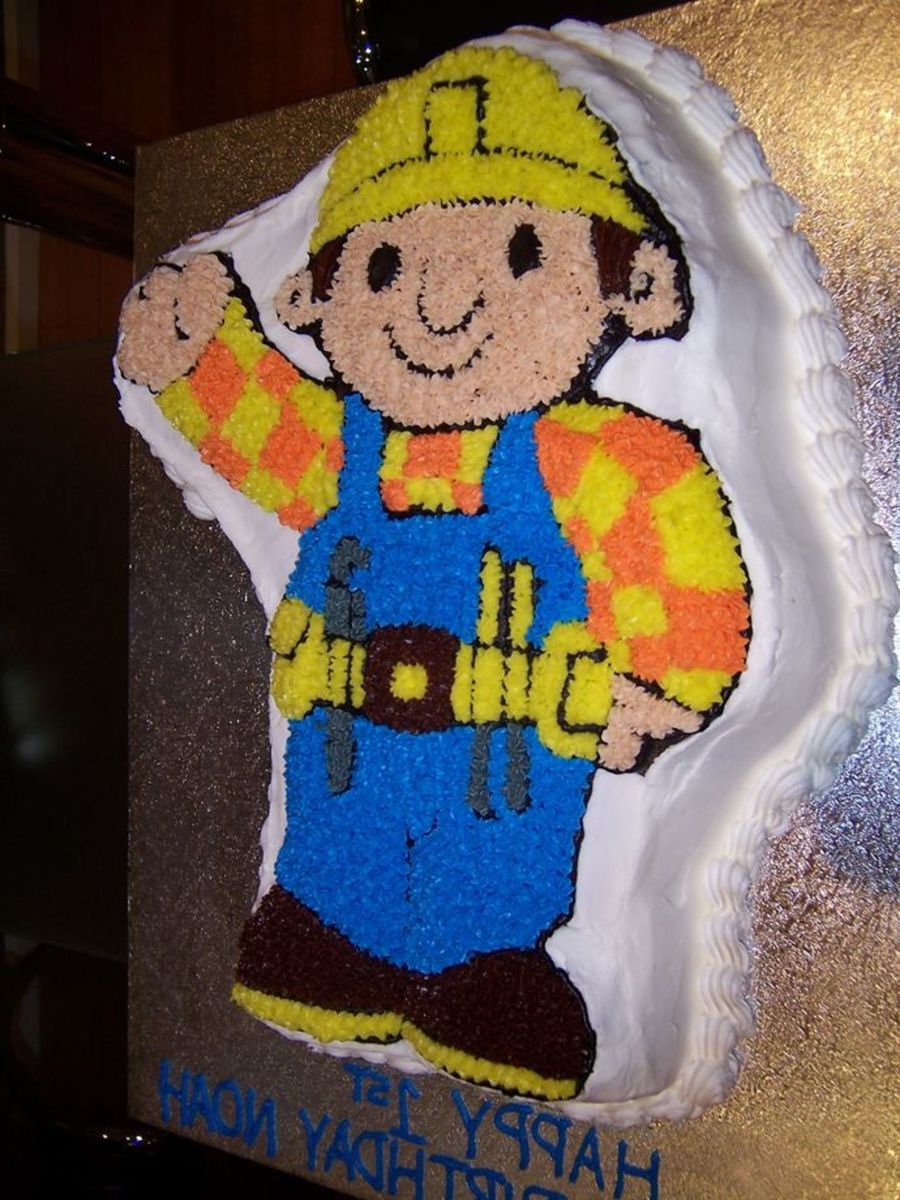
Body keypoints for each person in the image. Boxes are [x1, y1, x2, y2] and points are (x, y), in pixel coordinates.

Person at [118, 44, 750, 1100]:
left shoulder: (586, 458)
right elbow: (268, 430)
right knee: (339, 840)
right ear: (318, 296)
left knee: (493, 858)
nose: (438, 299)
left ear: (625, 282)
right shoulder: (345, 449)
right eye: (381, 270)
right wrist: (200, 355)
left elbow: (661, 534)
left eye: (521, 253)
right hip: (344, 740)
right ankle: (329, 934)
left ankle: (482, 968)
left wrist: (660, 678)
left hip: (509, 748)